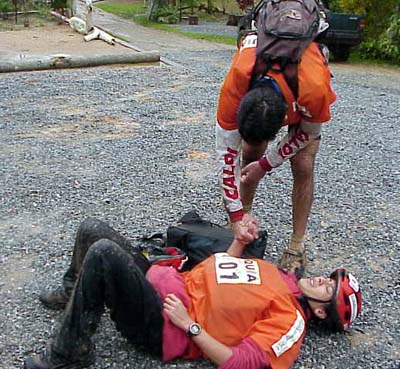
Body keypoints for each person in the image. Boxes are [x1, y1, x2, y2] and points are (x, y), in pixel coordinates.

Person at [24, 217, 362, 369]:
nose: (321, 280)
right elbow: (225, 272)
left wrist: (190, 326)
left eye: (328, 289)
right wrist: (239, 243)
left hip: (163, 325)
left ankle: (71, 352)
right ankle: (75, 295)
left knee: (101, 253)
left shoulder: (290, 322)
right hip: (167, 282)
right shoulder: (280, 277)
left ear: (320, 312)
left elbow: (241, 363)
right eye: (328, 278)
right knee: (92, 228)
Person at [216, 32, 337, 274]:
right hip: (269, 83)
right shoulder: (235, 86)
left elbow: (308, 133)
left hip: (302, 86)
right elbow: (227, 160)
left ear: (284, 119)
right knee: (250, 153)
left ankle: (296, 246)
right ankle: (241, 225)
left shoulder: (313, 89)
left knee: (303, 164)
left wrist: (267, 164)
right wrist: (236, 214)